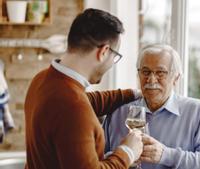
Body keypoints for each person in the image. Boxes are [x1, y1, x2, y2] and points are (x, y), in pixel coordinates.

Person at [24, 9, 143, 169]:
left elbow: (88, 101)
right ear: (104, 52)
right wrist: (128, 152)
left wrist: (134, 93)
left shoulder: (42, 79)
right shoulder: (72, 106)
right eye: (114, 57)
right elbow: (77, 106)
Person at [104, 44, 200, 169]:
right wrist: (123, 157)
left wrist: (166, 155)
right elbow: (96, 160)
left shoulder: (197, 111)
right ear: (138, 74)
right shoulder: (118, 112)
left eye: (160, 72)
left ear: (176, 78)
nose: (151, 79)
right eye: (145, 72)